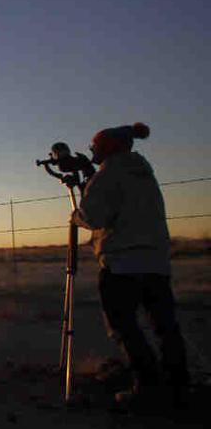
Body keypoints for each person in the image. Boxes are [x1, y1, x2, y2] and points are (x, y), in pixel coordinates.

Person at [72, 122, 189, 407]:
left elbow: (92, 217)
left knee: (124, 327)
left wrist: (77, 213)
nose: (91, 150)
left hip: (122, 263)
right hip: (155, 262)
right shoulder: (143, 172)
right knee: (165, 326)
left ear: (110, 146)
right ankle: (178, 384)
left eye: (95, 145)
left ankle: (148, 386)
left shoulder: (109, 175)